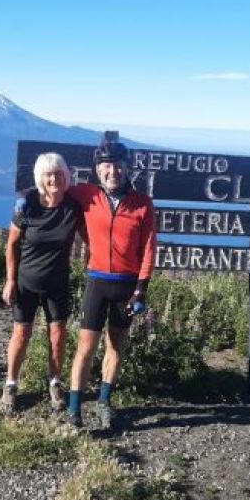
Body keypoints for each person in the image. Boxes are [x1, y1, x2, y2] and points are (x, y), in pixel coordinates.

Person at [67, 137, 156, 429]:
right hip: (97, 281)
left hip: (126, 285)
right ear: (97, 169)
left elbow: (149, 249)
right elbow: (53, 190)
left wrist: (141, 289)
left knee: (116, 347)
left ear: (127, 168)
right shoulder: (86, 195)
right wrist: (29, 201)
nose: (112, 171)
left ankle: (104, 402)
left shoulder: (142, 204)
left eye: (118, 165)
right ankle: (74, 409)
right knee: (85, 348)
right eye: (106, 166)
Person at [0, 152, 82, 415]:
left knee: (58, 335)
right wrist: (10, 280)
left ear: (65, 176)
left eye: (58, 173)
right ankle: (11, 385)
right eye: (48, 174)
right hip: (26, 282)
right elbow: (12, 244)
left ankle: (55, 383)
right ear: (39, 178)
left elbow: (92, 236)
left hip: (57, 283)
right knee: (21, 334)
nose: (53, 179)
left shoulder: (73, 207)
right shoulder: (26, 205)